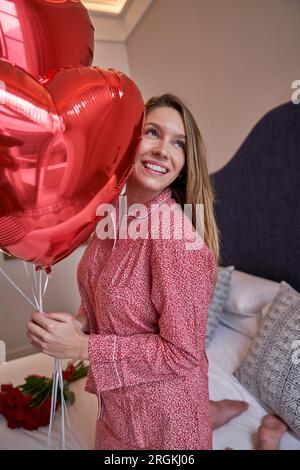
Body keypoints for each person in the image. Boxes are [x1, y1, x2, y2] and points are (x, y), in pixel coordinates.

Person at [27, 93, 283, 450]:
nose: (163, 149)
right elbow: (101, 288)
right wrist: (79, 324)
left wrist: (81, 346)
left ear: (183, 163)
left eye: (178, 143)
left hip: (166, 422)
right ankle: (213, 411)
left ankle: (261, 438)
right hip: (115, 406)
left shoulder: (178, 242)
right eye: (152, 133)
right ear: (129, 140)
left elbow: (182, 354)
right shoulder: (112, 217)